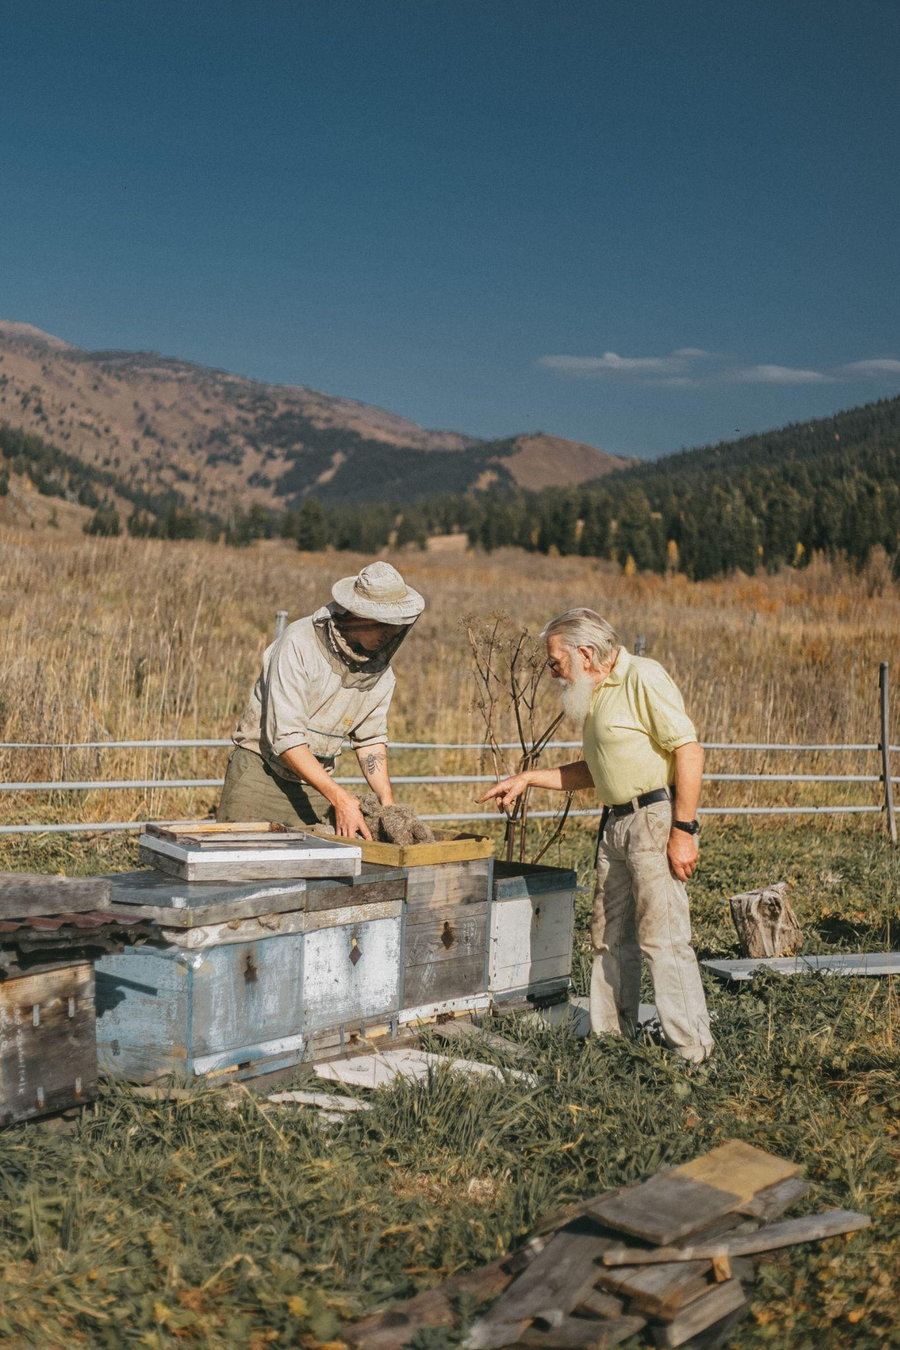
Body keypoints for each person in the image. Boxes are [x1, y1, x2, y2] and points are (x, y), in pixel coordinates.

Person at [479, 608, 713, 1063]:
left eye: (555, 662)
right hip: (615, 825)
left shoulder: (642, 677)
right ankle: (611, 1041)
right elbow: (595, 770)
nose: (552, 673)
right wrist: (528, 779)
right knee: (607, 937)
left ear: (585, 653)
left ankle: (692, 1051)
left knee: (661, 937)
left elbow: (689, 750)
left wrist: (684, 829)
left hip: (653, 819)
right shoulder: (596, 694)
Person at [218, 561, 424, 839]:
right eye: (385, 624)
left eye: (397, 626)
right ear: (357, 615)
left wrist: (388, 804)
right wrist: (340, 799)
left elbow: (370, 740)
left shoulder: (381, 674)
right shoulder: (298, 644)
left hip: (315, 786)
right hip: (260, 776)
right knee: (240, 870)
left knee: (317, 875)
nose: (391, 633)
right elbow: (286, 739)